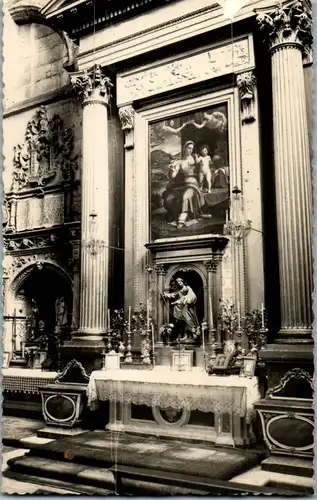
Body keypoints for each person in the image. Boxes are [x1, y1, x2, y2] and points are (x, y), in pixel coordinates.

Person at [162, 141, 204, 228]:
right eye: (189, 148)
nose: (190, 150)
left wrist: (201, 183)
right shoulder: (179, 162)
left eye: (192, 149)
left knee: (186, 197)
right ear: (184, 148)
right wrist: (171, 170)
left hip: (193, 185)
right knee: (170, 198)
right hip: (182, 185)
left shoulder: (195, 159)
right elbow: (173, 176)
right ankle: (175, 216)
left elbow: (201, 171)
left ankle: (182, 219)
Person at [163, 277, 200, 342]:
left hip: (188, 307)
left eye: (180, 282)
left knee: (189, 320)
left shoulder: (188, 288)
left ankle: (194, 335)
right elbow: (173, 295)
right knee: (184, 322)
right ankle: (186, 335)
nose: (179, 284)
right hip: (182, 308)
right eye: (178, 283)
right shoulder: (179, 291)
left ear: (183, 282)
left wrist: (187, 300)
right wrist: (166, 295)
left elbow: (192, 295)